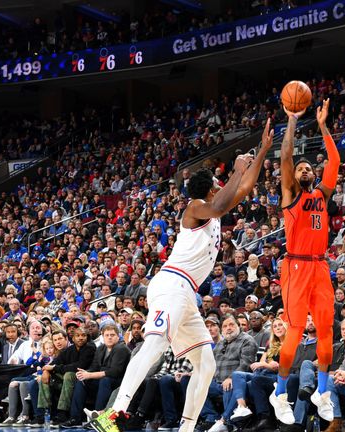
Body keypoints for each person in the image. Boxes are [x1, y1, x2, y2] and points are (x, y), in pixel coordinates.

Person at [95, 123, 274, 432]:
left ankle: (187, 428)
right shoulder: (195, 207)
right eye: (219, 185)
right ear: (211, 188)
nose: (222, 188)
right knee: (155, 345)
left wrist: (260, 155)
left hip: (186, 293)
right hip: (171, 284)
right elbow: (220, 203)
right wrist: (237, 168)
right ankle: (113, 414)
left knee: (206, 365)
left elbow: (242, 189)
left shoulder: (214, 205)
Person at [270, 99, 340, 425]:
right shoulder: (290, 195)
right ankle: (279, 392)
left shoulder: (322, 196)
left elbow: (335, 160)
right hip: (295, 266)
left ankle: (322, 392)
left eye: (308, 166)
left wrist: (323, 126)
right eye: (300, 168)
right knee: (296, 331)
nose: (304, 169)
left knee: (326, 330)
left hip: (320, 266)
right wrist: (293, 120)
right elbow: (286, 157)